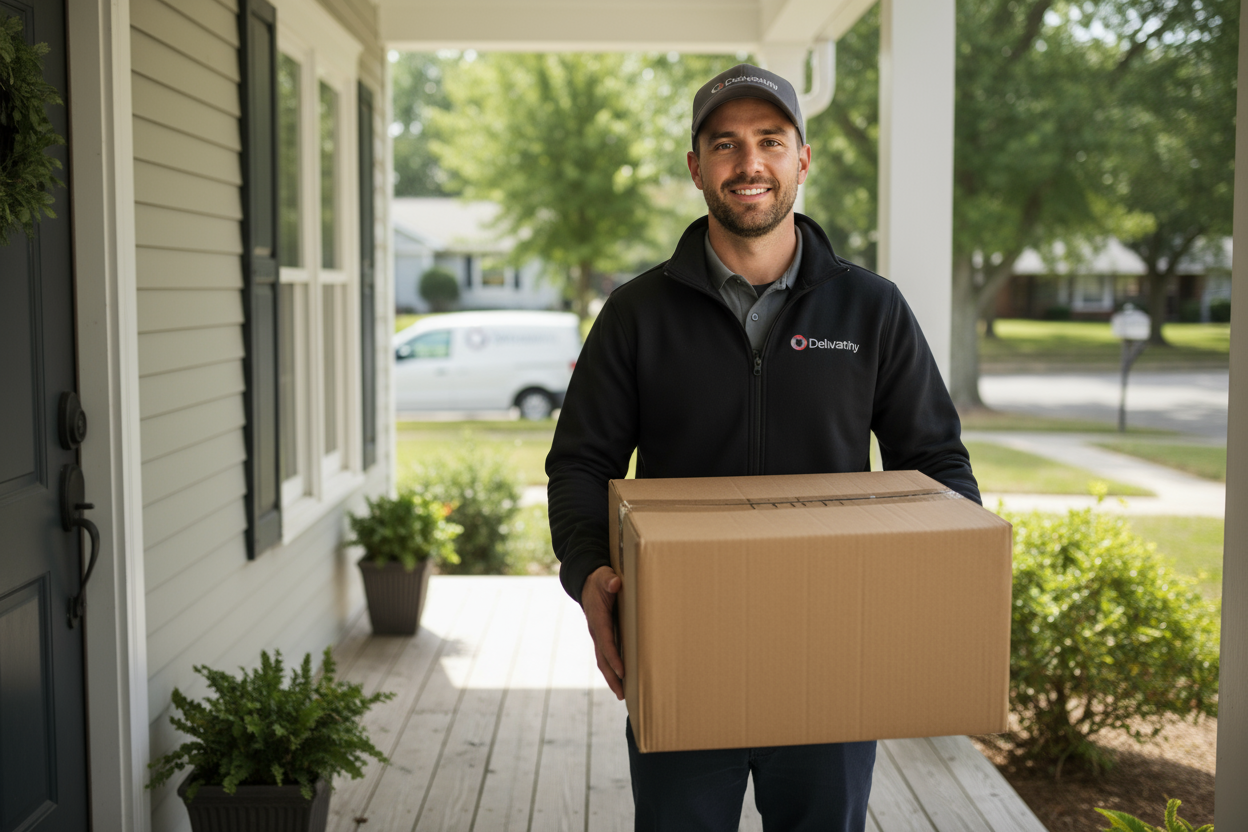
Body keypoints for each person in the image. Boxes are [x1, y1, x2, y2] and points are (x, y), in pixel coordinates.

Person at [545, 63, 979, 832]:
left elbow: (936, 461)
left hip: (834, 653)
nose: (749, 164)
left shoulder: (872, 308)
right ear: (696, 167)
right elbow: (581, 462)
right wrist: (589, 573)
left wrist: (942, 580)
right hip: (683, 647)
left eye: (770, 141)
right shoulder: (637, 314)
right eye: (726, 144)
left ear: (802, 159)